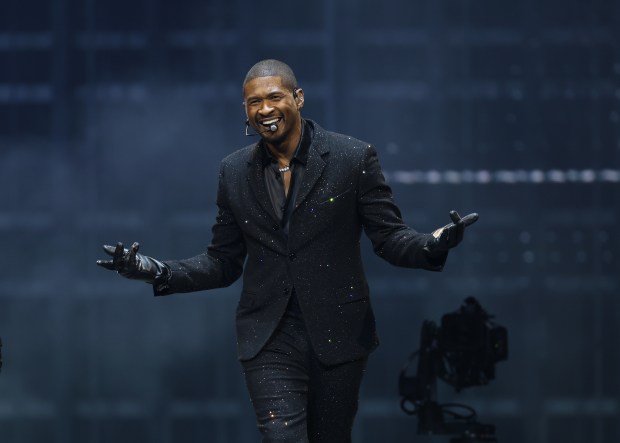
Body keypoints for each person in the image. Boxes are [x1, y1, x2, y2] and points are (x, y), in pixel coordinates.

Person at [97, 59, 478, 442]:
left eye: (274, 97)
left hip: (339, 333)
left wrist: (432, 243)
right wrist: (158, 270)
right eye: (253, 102)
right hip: (269, 336)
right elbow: (223, 262)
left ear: (298, 98)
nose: (264, 109)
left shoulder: (352, 158)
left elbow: (390, 237)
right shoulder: (233, 171)